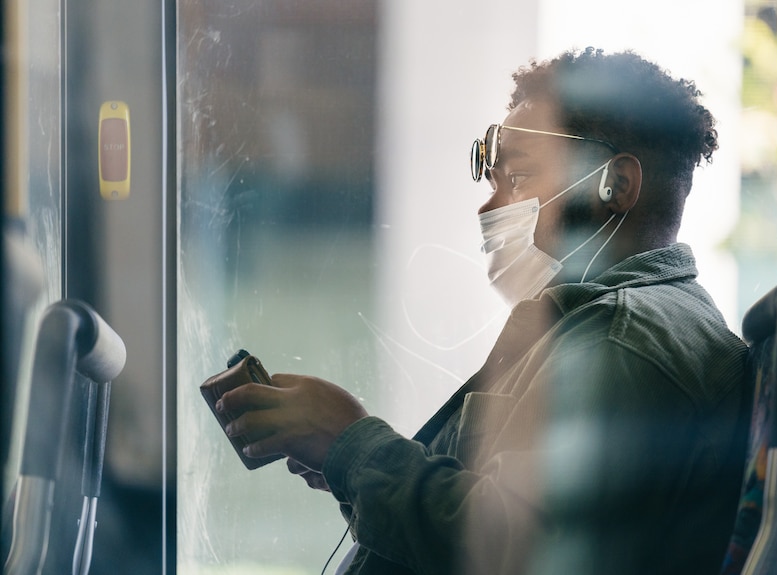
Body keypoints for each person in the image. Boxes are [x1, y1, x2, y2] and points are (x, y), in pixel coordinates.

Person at [213, 47, 750, 575]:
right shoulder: (605, 327)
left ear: (618, 185)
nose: (490, 207)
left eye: (516, 177)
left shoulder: (623, 343)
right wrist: (345, 467)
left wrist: (351, 442)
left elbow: (518, 552)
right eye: (492, 182)